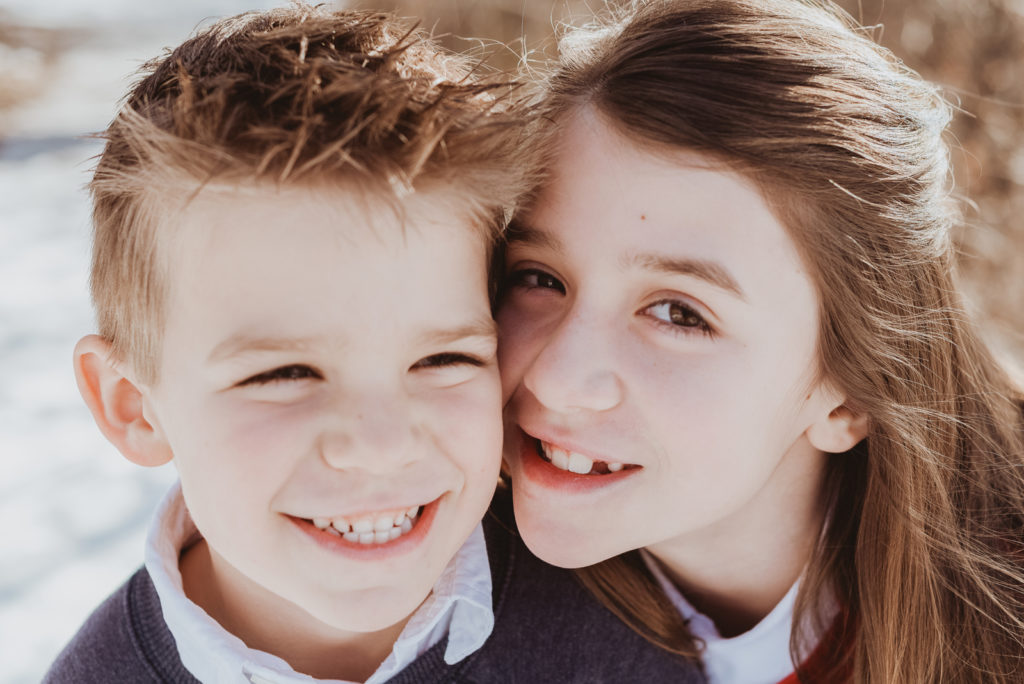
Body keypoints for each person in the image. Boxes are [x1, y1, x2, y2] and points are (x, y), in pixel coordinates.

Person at [44, 5, 705, 683]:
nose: (381, 445)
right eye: (286, 373)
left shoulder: (615, 627)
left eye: (442, 359)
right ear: (134, 405)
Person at [497, 0, 1024, 682]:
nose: (557, 377)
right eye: (538, 277)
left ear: (850, 400)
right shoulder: (433, 574)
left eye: (680, 314)